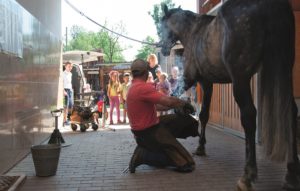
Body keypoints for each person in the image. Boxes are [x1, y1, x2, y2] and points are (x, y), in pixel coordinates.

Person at [127, 58, 199, 173]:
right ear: (145, 73)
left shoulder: (132, 88)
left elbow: (157, 106)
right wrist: (183, 103)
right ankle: (142, 155)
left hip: (144, 131)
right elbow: (168, 101)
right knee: (187, 164)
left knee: (180, 120)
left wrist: (175, 106)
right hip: (150, 132)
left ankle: (158, 147)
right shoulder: (143, 87)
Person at [63, 61, 74, 126]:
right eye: (69, 66)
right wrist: (63, 91)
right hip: (65, 90)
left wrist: (71, 89)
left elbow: (69, 83)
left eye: (71, 66)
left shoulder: (70, 74)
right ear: (65, 66)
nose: (70, 68)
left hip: (70, 90)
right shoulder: (63, 74)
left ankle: (70, 118)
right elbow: (62, 83)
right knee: (65, 106)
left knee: (71, 105)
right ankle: (64, 120)